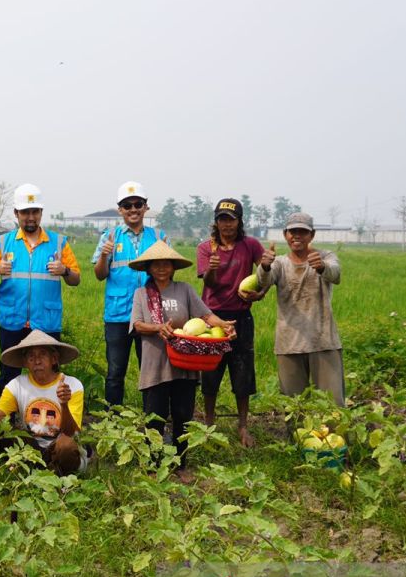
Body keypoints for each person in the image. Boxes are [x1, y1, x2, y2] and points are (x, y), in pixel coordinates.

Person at [129, 241, 235, 479]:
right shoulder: (141, 294)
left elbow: (205, 316)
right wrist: (158, 328)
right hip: (155, 363)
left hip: (185, 363)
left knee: (183, 416)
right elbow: (137, 324)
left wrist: (224, 325)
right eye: (156, 264)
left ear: (173, 267)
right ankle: (154, 464)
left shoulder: (184, 290)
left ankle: (181, 465)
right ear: (149, 268)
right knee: (154, 417)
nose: (162, 268)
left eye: (166, 263)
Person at [0, 183, 80, 394]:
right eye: (25, 212)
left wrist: (64, 270)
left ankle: (49, 419)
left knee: (49, 373)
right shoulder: (3, 243)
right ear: (16, 213)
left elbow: (76, 279)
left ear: (41, 213)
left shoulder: (59, 243)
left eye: (34, 211)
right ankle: (6, 421)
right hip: (12, 320)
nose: (30, 217)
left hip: (46, 320)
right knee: (9, 373)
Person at [195, 198, 268, 447]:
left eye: (231, 219)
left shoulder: (250, 245)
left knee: (242, 373)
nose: (227, 224)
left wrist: (262, 289)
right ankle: (209, 424)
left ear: (240, 221)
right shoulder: (206, 248)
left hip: (241, 318)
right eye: (222, 219)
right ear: (216, 222)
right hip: (213, 317)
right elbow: (211, 284)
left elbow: (265, 275)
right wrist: (213, 268)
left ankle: (244, 426)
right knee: (211, 373)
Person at [0, 330, 88, 476]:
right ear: (25, 363)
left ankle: (60, 473)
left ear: (54, 358)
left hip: (59, 446)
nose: (37, 361)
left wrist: (63, 404)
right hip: (31, 446)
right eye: (31, 356)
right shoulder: (17, 384)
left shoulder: (72, 385)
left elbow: (70, 432)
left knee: (66, 446)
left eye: (42, 354)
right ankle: (36, 468)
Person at [92, 181, 166, 407]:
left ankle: (152, 420)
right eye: (127, 205)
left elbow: (167, 273)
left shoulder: (158, 236)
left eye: (137, 204)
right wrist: (105, 256)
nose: (133, 209)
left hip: (150, 316)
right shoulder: (110, 236)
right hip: (118, 315)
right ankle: (112, 419)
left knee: (152, 371)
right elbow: (99, 275)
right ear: (120, 210)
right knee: (115, 372)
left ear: (146, 207)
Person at [258, 212, 344, 406]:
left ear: (311, 235)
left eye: (302, 232)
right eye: (292, 231)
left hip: (323, 340)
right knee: (294, 407)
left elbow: (335, 274)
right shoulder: (279, 263)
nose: (297, 236)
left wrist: (321, 267)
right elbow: (265, 279)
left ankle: (336, 437)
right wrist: (264, 266)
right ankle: (296, 438)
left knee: (334, 405)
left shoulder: (325, 256)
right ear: (285, 235)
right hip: (289, 343)